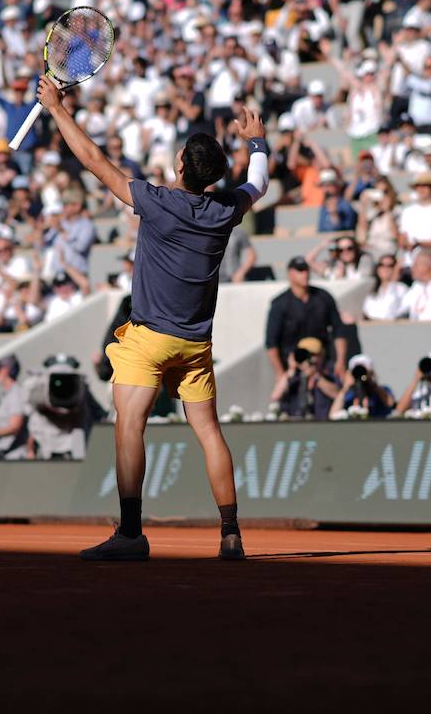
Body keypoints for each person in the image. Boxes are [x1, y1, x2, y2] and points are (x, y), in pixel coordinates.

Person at [35, 75, 268, 562]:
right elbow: (259, 183)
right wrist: (257, 142)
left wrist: (56, 110)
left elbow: (97, 164)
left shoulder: (161, 204)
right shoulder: (225, 209)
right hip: (196, 346)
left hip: (149, 340)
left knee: (129, 427)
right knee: (208, 431)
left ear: (182, 165)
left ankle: (131, 533)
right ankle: (230, 534)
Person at [266, 256, 353, 382]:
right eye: (300, 270)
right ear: (290, 274)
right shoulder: (280, 304)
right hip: (292, 365)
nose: (305, 274)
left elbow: (338, 330)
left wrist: (340, 362)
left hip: (321, 364)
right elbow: (271, 342)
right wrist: (280, 372)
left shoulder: (323, 297)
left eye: (306, 270)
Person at [268, 337, 341, 420]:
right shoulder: (293, 375)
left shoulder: (328, 373)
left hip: (321, 424)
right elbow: (275, 396)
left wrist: (315, 376)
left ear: (322, 355)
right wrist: (291, 370)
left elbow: (338, 394)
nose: (308, 359)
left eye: (313, 354)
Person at [333, 354, 395, 418]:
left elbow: (390, 403)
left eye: (364, 372)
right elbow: (333, 415)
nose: (360, 375)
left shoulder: (382, 390)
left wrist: (373, 383)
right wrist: (345, 388)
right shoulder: (349, 394)